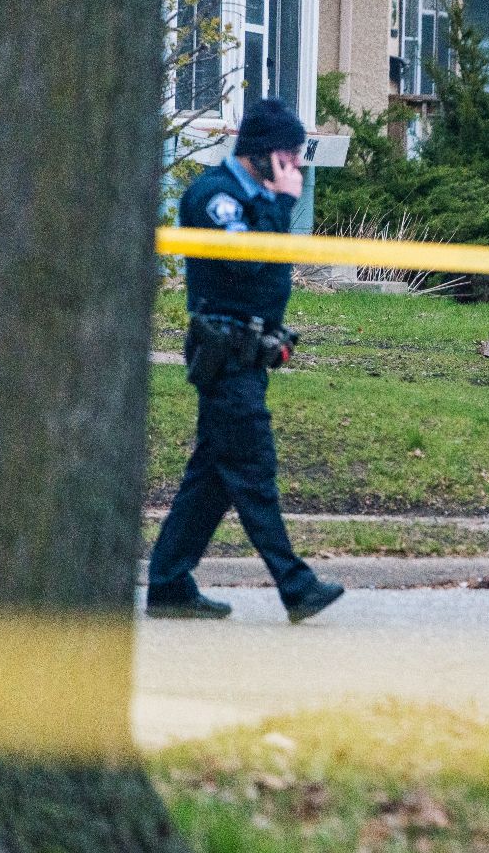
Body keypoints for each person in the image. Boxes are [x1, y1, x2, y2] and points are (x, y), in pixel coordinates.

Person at [146, 99, 345, 622]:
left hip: (248, 355)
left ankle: (167, 582)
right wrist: (281, 204)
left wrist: (276, 203)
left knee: (212, 477)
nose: (297, 166)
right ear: (262, 153)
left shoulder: (256, 198)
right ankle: (296, 585)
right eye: (290, 156)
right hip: (225, 354)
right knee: (253, 471)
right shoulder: (215, 197)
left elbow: (268, 256)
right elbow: (251, 261)